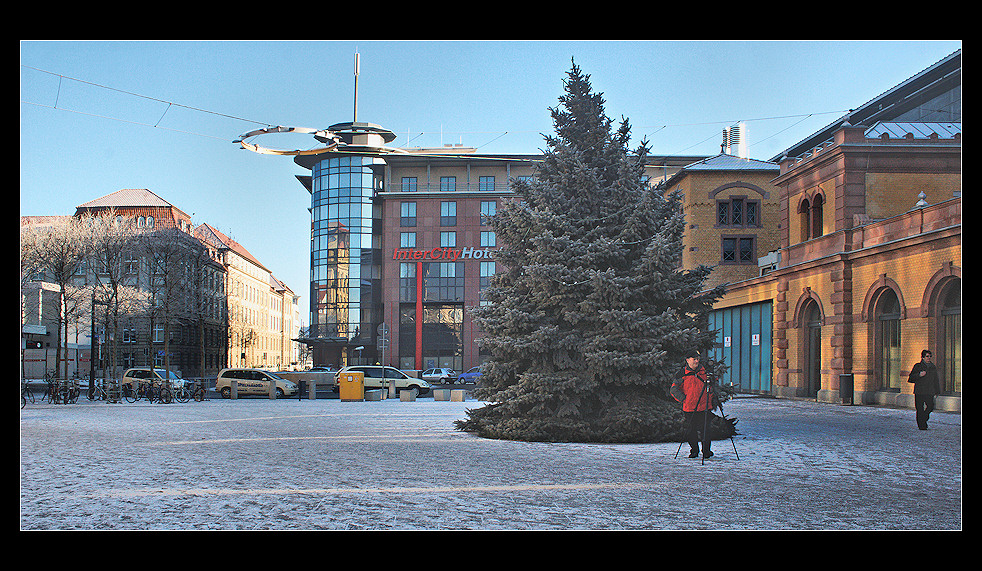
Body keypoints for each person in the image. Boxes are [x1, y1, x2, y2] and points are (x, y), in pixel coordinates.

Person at [671, 351, 714, 458]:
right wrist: (684, 399)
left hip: (704, 407)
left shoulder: (705, 372)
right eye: (694, 359)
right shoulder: (682, 373)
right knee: (691, 431)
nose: (696, 361)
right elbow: (673, 389)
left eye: (697, 358)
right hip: (689, 407)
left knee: (706, 431)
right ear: (687, 360)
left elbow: (713, 387)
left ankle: (706, 452)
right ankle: (694, 450)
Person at [908, 349, 941, 430]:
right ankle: (922, 425)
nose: (929, 358)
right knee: (919, 409)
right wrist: (919, 375)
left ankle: (923, 419)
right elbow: (911, 378)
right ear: (922, 357)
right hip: (919, 391)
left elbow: (936, 380)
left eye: (930, 356)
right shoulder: (918, 366)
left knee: (931, 406)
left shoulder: (932, 367)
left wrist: (937, 391)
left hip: (929, 391)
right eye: (927, 356)